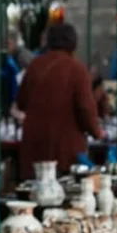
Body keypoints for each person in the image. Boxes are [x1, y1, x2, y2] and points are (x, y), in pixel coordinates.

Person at [15, 23, 103, 180]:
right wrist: (97, 132)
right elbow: (86, 108)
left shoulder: (35, 65)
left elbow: (22, 102)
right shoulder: (77, 69)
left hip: (34, 147)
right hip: (64, 151)